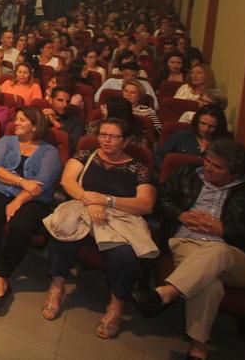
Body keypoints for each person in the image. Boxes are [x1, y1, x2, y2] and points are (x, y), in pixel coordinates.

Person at [133, 139, 245, 360]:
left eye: (217, 166)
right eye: (207, 160)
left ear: (234, 173)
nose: (207, 167)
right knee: (210, 285)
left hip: (235, 257)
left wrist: (224, 229)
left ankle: (166, 293)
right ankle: (198, 349)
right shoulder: (187, 174)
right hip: (187, 244)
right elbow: (162, 198)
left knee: (217, 251)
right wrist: (180, 215)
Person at [42, 118, 157, 339]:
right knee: (63, 232)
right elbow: (68, 181)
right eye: (103, 134)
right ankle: (57, 287)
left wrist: (107, 201)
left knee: (125, 256)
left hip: (119, 217)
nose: (106, 140)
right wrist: (90, 200)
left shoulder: (138, 168)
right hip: (84, 207)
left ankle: (116, 306)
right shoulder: (86, 155)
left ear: (126, 141)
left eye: (113, 136)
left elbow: (146, 204)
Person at [0, 106, 62, 309]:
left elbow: (42, 184)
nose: (16, 123)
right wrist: (21, 182)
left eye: (22, 120)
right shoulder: (6, 141)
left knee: (20, 226)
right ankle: (0, 278)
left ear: (35, 126)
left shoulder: (50, 152)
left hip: (34, 199)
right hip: (2, 188)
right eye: (16, 119)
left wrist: (17, 202)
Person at [154, 105, 229, 171]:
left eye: (212, 126)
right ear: (196, 121)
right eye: (203, 123)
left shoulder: (223, 145)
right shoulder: (180, 136)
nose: (206, 129)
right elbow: (158, 157)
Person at [42, 86, 84, 153]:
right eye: (60, 100)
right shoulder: (42, 116)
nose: (65, 105)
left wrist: (55, 123)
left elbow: (73, 145)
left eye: (67, 101)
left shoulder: (76, 122)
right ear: (50, 100)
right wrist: (41, 120)